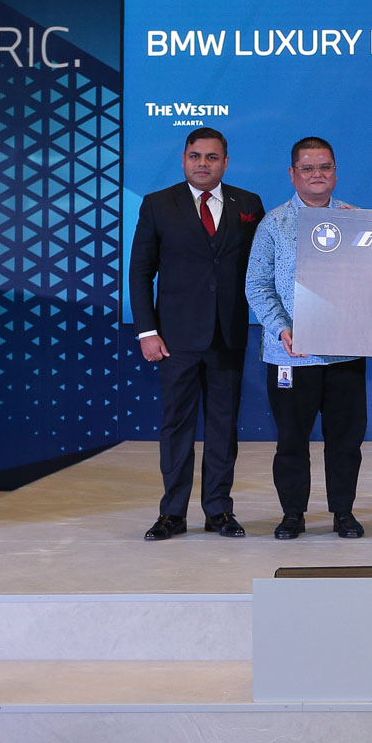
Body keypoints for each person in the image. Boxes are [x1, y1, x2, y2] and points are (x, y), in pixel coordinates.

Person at [128, 127, 264, 541]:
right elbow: (140, 272)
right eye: (195, 156)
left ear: (226, 162)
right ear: (184, 159)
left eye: (211, 157)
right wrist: (147, 331)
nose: (202, 164)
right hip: (175, 339)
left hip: (228, 336)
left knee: (223, 427)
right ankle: (172, 513)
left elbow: (265, 263)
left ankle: (219, 511)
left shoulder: (249, 204)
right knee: (177, 427)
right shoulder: (157, 204)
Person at [245, 137, 367, 540]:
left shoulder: (355, 221)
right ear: (292, 174)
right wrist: (282, 328)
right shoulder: (273, 224)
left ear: (336, 172)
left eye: (325, 167)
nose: (317, 175)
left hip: (344, 354)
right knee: (291, 441)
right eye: (308, 168)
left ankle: (343, 513)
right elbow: (257, 285)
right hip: (291, 356)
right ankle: (292, 514)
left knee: (345, 441)